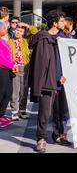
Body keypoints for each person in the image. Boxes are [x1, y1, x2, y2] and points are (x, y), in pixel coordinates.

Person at [28, 10, 72, 152]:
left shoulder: (62, 38)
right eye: (61, 21)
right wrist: (55, 76)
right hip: (48, 81)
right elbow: (42, 64)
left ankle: (58, 134)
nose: (64, 23)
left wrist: (65, 75)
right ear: (54, 23)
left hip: (62, 81)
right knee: (45, 112)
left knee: (60, 111)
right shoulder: (44, 39)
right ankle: (41, 138)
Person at [7, 25, 31, 121]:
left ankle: (22, 110)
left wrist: (26, 25)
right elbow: (7, 55)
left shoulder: (26, 41)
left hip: (25, 68)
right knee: (15, 91)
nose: (18, 32)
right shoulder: (9, 42)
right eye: (17, 30)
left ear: (23, 33)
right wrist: (12, 65)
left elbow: (35, 31)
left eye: (21, 31)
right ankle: (14, 111)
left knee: (24, 90)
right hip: (15, 68)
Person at [0, 21, 15, 128]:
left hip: (7, 69)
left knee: (8, 92)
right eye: (4, 28)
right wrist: (12, 65)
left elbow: (9, 55)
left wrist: (13, 63)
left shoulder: (2, 40)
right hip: (2, 69)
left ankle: (1, 114)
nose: (6, 29)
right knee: (2, 93)